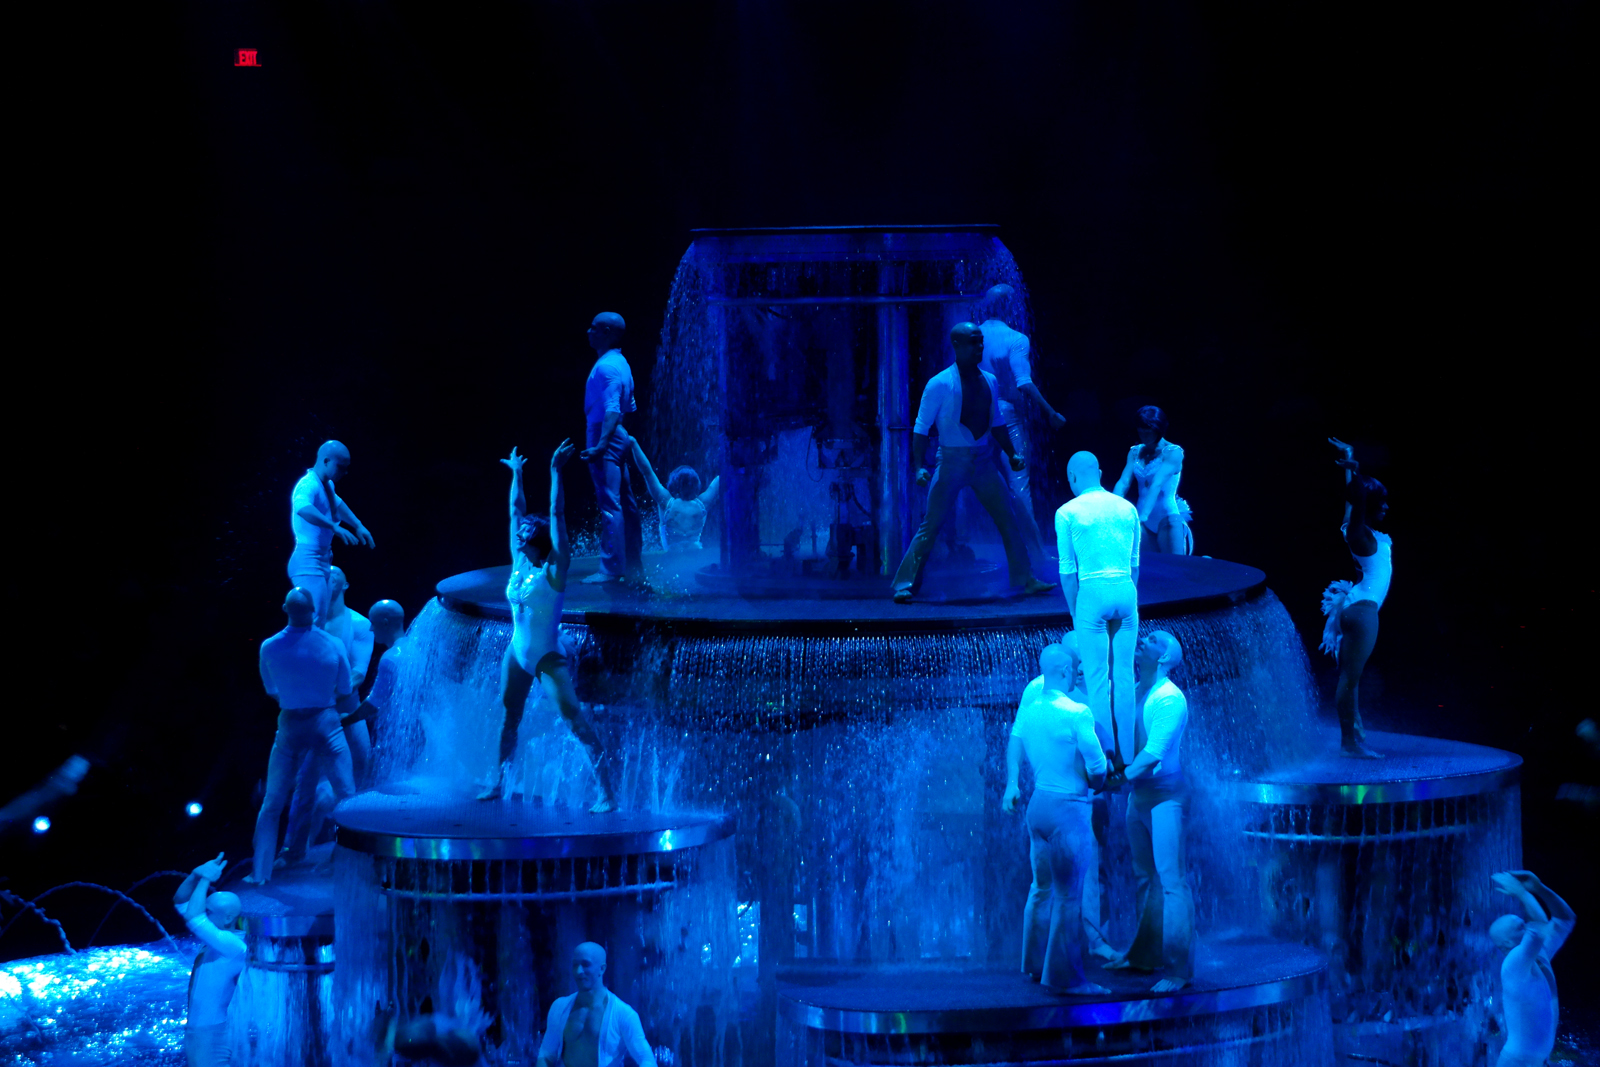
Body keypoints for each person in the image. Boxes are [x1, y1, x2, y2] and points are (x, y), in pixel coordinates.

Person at [478, 443, 616, 811]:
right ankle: (499, 781)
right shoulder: (519, 563)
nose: (518, 535)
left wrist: (556, 472)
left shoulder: (553, 571)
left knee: (575, 721)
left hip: (546, 657)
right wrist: (517, 474)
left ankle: (607, 794)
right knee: (509, 716)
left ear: (538, 542)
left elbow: (557, 514)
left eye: (525, 534)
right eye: (519, 533)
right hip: (516, 651)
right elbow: (515, 510)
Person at [892, 322, 1057, 604]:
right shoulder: (939, 383)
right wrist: (919, 466)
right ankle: (904, 584)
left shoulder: (990, 380)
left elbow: (997, 422)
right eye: (972, 342)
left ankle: (1026, 578)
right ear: (956, 345)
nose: (979, 347)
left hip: (982, 462)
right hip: (951, 461)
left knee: (1008, 518)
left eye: (980, 341)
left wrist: (1012, 453)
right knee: (931, 524)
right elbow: (921, 427)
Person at [1004, 645, 1111, 995]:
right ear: (1065, 671)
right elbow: (1097, 767)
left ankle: (1035, 965)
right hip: (1069, 811)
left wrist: (1012, 784)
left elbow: (1016, 740)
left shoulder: (1031, 708)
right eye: (1076, 667)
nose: (1078, 674)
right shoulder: (1077, 712)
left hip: (1038, 808)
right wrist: (1100, 780)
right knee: (1068, 896)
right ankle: (1067, 980)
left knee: (1041, 888)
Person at [249, 588, 356, 885]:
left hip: (290, 722)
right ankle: (354, 862)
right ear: (313, 611)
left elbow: (271, 690)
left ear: (285, 608)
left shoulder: (270, 646)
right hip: (325, 721)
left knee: (272, 801)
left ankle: (260, 873)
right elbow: (346, 689)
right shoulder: (332, 643)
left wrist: (296, 697)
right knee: (347, 795)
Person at [1107, 631, 1194, 992]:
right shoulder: (1135, 690)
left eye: (1154, 639)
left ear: (1163, 658)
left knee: (1172, 881)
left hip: (1165, 798)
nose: (1145, 638)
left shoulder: (1169, 698)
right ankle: (1144, 955)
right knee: (1145, 877)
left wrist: (1116, 779)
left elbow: (1153, 753)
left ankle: (1178, 970)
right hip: (1140, 796)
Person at [280, 567, 377, 863]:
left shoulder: (359, 624)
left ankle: (358, 844)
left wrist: (324, 693)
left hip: (347, 710)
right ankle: (294, 849)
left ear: (345, 584)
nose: (327, 579)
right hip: (314, 713)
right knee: (306, 780)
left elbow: (359, 672)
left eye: (334, 577)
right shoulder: (308, 625)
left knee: (363, 772)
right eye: (324, 577)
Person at [1056, 451, 1141, 767]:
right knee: (1124, 675)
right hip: (1125, 590)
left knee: (1096, 679)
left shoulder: (1067, 512)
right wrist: (1128, 598)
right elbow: (1134, 566)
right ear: (1100, 472)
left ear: (1072, 477)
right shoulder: (1127, 508)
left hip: (1092, 592)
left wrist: (1075, 612)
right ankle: (1128, 758)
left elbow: (1068, 572)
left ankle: (1105, 759)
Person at [975, 285, 1067, 572]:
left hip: (972, 415)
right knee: (1019, 484)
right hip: (1005, 414)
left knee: (961, 479)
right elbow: (1023, 382)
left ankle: (956, 547)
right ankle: (1035, 552)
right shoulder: (1015, 339)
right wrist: (1050, 411)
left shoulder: (971, 336)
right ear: (1009, 306)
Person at [1320, 438, 1390, 758]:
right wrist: (1357, 476)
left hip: (1357, 607)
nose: (1386, 508)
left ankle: (1353, 737)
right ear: (1369, 503)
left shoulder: (1356, 529)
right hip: (1363, 613)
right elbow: (1356, 501)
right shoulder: (1359, 535)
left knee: (1353, 678)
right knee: (1350, 679)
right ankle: (1349, 744)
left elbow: (1351, 503)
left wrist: (1349, 462)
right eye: (1382, 503)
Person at [579, 313, 643, 583]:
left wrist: (602, 445)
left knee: (610, 502)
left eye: (594, 328)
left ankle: (612, 568)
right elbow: (629, 407)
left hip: (604, 432)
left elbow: (613, 409)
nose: (588, 331)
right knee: (626, 502)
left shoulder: (606, 366)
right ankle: (634, 564)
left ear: (606, 332)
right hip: (617, 432)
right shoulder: (621, 362)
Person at [1489, 870, 1575, 1067]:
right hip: (1517, 1062)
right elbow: (1540, 928)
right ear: (1506, 943)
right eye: (1520, 927)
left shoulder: (1538, 955)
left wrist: (1539, 888)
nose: (1527, 925)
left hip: (1537, 1060)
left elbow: (1565, 919)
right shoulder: (1513, 964)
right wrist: (1522, 893)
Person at [287, 440, 375, 627]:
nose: (345, 472)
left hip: (323, 559)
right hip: (308, 561)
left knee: (320, 618)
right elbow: (302, 507)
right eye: (341, 467)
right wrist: (333, 526)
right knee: (314, 618)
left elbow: (336, 503)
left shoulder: (327, 485)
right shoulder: (308, 484)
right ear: (326, 461)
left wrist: (358, 525)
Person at [172, 853, 247, 1066]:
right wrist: (195, 875)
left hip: (210, 1033)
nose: (203, 914)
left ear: (229, 918)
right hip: (202, 1030)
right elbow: (181, 902)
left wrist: (205, 879)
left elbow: (193, 917)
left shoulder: (233, 946)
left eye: (208, 911)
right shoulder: (219, 939)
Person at [536, 943, 658, 1067]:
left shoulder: (624, 1014)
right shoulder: (559, 1007)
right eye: (575, 965)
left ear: (602, 969)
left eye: (585, 965)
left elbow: (646, 1059)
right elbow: (546, 1054)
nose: (578, 971)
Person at [1111, 406, 1192, 555]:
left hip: (1166, 517)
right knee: (1147, 566)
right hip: (1142, 517)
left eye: (1148, 433)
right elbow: (1124, 482)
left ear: (1158, 430)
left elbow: (1157, 483)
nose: (1144, 437)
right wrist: (1111, 508)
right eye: (1140, 432)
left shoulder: (1173, 452)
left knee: (1173, 565)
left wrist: (1144, 515)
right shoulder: (1135, 451)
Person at [628, 438, 720, 551]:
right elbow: (719, 479)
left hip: (671, 555)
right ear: (696, 485)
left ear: (674, 486)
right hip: (695, 554)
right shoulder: (703, 504)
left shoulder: (666, 502)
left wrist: (633, 443)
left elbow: (647, 472)